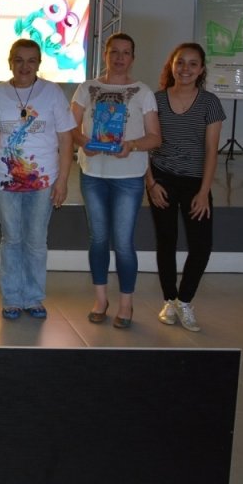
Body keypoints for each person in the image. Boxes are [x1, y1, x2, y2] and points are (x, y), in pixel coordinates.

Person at [71, 32, 161, 328]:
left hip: (129, 178)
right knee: (98, 239)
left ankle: (126, 304)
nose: (120, 57)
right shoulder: (87, 88)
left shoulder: (143, 92)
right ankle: (100, 299)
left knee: (123, 242)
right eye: (114, 52)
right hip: (93, 175)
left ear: (133, 58)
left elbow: (155, 138)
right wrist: (85, 141)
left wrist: (132, 145)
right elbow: (70, 127)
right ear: (105, 55)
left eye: (126, 52)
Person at [0, 39, 76, 320]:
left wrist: (62, 181)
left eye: (31, 61)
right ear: (9, 62)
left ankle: (34, 298)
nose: (24, 66)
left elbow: (66, 139)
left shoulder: (52, 93)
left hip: (43, 180)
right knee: (12, 239)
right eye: (19, 60)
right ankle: (12, 299)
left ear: (39, 64)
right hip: (5, 180)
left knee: (36, 240)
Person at [146, 43, 225, 332]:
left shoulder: (210, 103)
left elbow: (212, 151)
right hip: (162, 179)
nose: (186, 69)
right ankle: (169, 300)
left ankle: (185, 300)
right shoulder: (155, 100)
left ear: (201, 69)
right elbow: (146, 147)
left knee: (202, 246)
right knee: (166, 243)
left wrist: (204, 192)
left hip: (195, 182)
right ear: (172, 65)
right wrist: (151, 183)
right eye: (181, 63)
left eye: (193, 64)